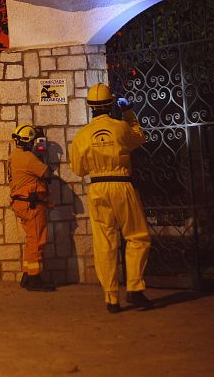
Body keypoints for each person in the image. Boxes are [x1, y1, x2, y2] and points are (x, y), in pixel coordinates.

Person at [69, 83, 153, 313]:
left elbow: (78, 169)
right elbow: (139, 137)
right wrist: (128, 112)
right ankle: (135, 288)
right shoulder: (120, 128)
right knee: (136, 236)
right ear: (110, 104)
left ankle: (111, 297)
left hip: (97, 187)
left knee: (104, 243)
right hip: (121, 184)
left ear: (90, 107)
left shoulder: (82, 135)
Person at [9, 124, 56, 292]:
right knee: (37, 241)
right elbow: (47, 174)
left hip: (22, 203)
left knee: (31, 240)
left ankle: (27, 276)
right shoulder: (29, 158)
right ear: (29, 141)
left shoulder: (15, 155)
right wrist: (42, 157)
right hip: (33, 204)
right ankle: (35, 279)